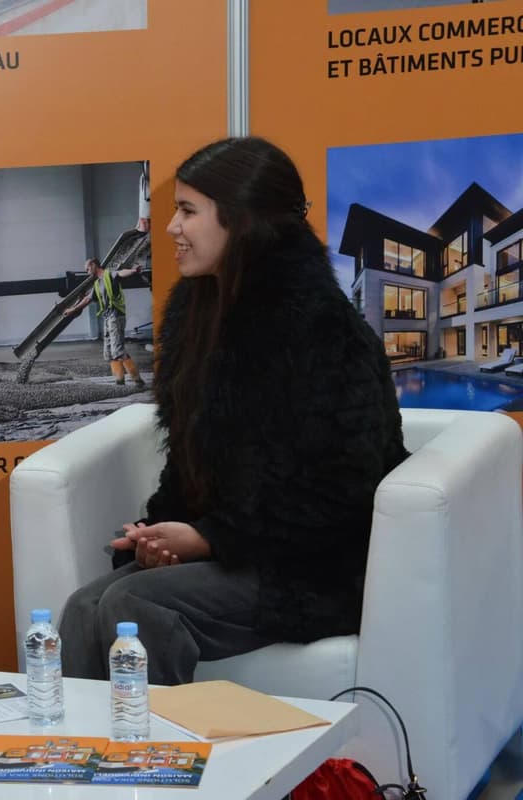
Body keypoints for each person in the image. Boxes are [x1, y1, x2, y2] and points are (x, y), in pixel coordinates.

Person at [58, 137, 408, 684]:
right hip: (235, 549)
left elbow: (342, 493)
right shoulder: (199, 314)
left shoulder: (322, 331)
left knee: (136, 605)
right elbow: (192, 461)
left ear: (242, 220)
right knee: (83, 609)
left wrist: (209, 539)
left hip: (315, 567)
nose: (171, 227)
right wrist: (158, 534)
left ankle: (158, 744)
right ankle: (88, 743)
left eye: (187, 210)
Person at [64, 257, 146, 388]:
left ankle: (137, 380)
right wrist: (73, 309)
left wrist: (133, 271)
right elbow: (87, 299)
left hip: (116, 316)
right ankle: (119, 381)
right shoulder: (97, 283)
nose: (87, 272)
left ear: (94, 265)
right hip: (107, 318)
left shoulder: (109, 275)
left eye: (87, 269)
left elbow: (121, 273)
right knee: (109, 353)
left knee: (118, 350)